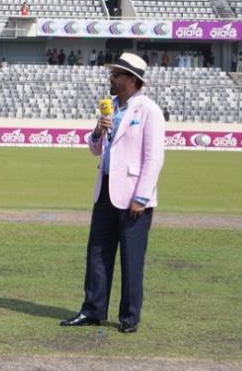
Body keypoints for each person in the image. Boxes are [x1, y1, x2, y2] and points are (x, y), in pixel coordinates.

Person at [62, 52, 165, 334]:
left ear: (131, 80)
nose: (112, 77)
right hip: (105, 192)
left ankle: (129, 317)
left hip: (134, 197)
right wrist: (97, 130)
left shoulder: (149, 110)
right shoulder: (110, 109)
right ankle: (92, 309)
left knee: (131, 259)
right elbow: (95, 149)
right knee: (97, 254)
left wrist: (142, 197)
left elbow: (154, 158)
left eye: (117, 74)